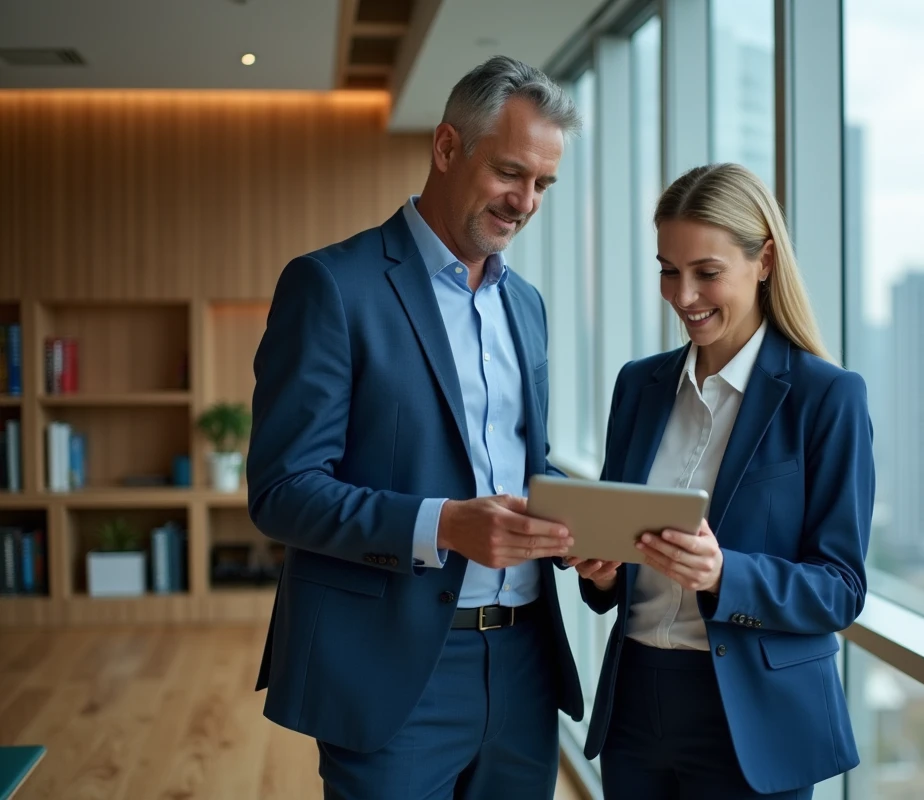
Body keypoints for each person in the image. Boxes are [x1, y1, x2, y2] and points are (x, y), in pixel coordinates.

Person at [246, 56, 585, 800]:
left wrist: (583, 528)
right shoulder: (331, 286)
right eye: (510, 172)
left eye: (543, 184)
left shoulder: (526, 304)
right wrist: (445, 526)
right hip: (392, 672)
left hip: (525, 666)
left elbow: (520, 463)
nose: (525, 202)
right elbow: (282, 490)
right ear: (446, 147)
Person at [570, 163, 875, 799]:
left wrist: (721, 573)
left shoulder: (827, 397)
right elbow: (616, 560)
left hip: (752, 719)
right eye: (668, 271)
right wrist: (602, 572)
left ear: (764, 260)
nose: (684, 296)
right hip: (635, 706)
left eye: (706, 273)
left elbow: (841, 589)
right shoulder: (639, 385)